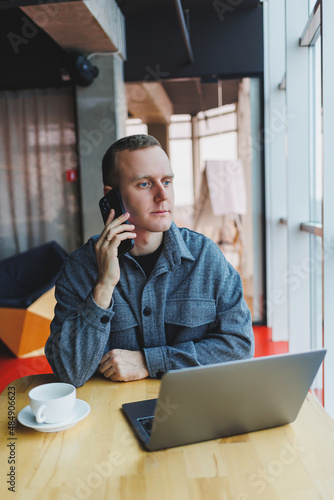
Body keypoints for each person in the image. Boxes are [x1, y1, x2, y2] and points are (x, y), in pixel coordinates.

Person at [45, 134, 254, 387]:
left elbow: (240, 347)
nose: (162, 195)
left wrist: (149, 362)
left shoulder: (206, 257)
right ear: (112, 197)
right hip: (112, 417)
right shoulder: (79, 268)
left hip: (190, 410)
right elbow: (69, 373)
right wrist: (103, 288)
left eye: (167, 181)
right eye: (144, 184)